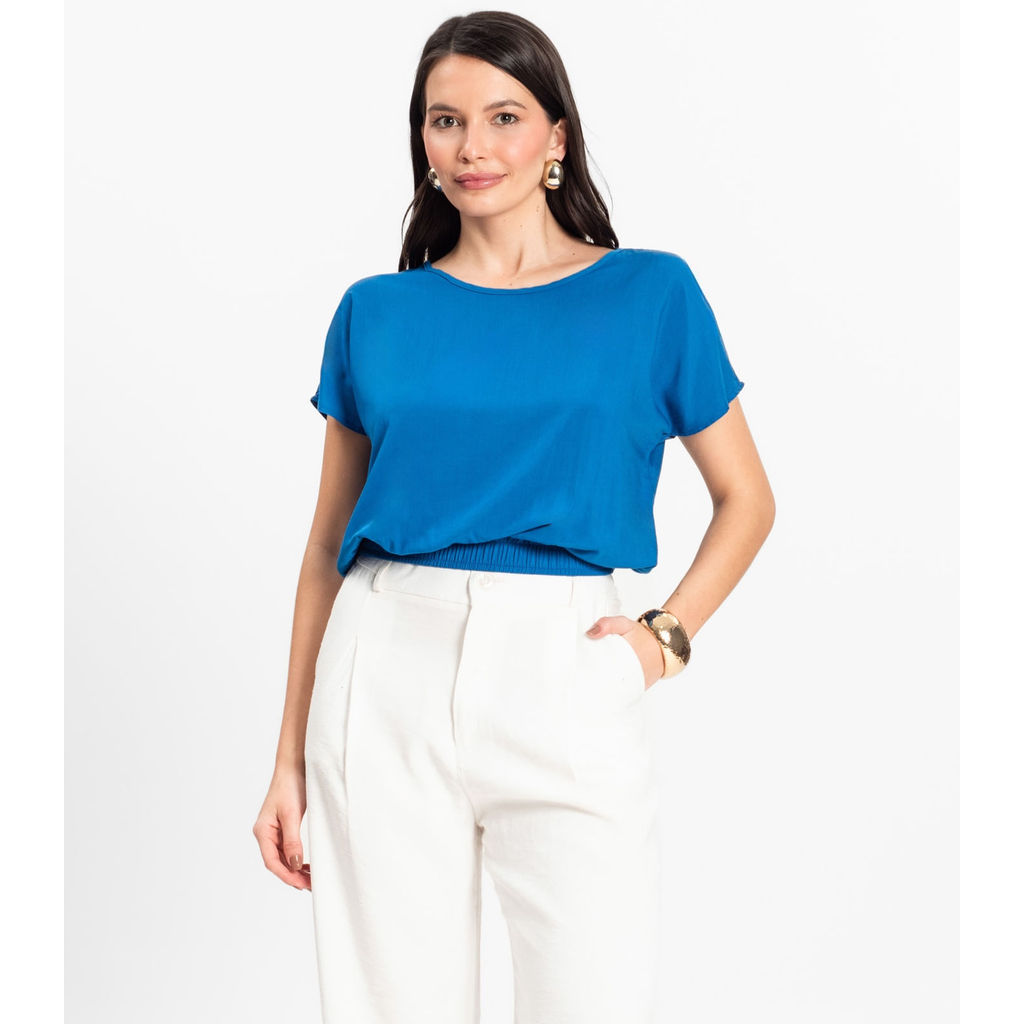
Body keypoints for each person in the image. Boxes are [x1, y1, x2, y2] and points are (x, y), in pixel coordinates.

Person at [253, 10, 775, 1023]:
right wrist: (287, 758)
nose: (472, 146)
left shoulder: (649, 294)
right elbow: (325, 545)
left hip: (569, 664)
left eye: (503, 116)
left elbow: (747, 499)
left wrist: (659, 643)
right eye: (444, 120)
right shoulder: (376, 312)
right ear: (422, 139)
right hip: (384, 669)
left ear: (556, 136)